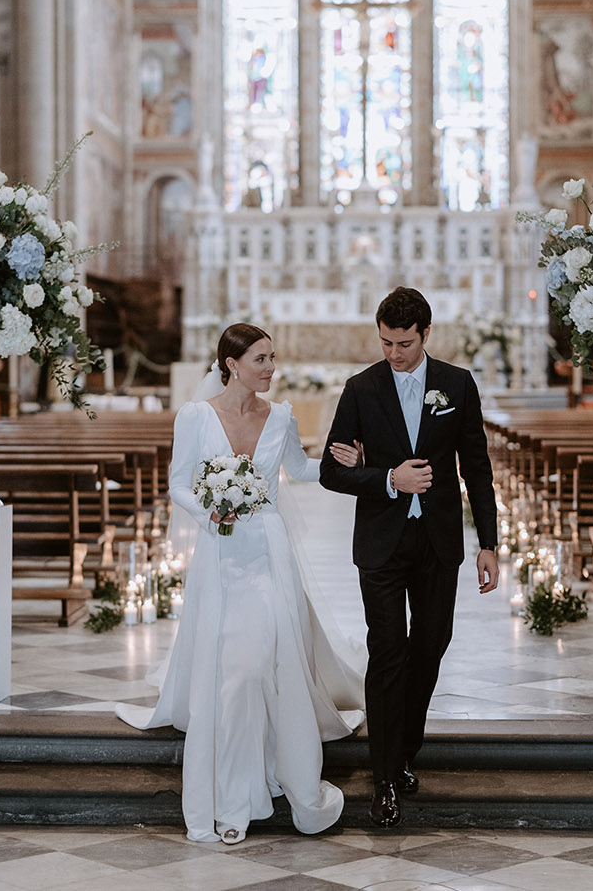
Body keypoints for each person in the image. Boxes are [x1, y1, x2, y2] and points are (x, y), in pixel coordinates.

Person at [117, 324, 366, 845]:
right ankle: (233, 797)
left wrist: (347, 465)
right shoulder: (196, 417)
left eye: (273, 358)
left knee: (269, 662)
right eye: (261, 359)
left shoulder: (281, 417)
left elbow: (299, 471)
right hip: (222, 554)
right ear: (231, 364)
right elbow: (179, 483)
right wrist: (211, 513)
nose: (271, 368)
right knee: (235, 671)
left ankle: (290, 779)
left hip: (271, 554)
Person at [319, 288, 500, 827]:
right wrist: (388, 480)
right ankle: (384, 780)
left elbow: (478, 467)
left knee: (430, 646)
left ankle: (403, 750)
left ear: (425, 334)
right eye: (385, 342)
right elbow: (332, 470)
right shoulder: (360, 389)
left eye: (403, 343)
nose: (393, 353)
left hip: (439, 542)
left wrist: (489, 543)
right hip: (381, 542)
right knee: (387, 654)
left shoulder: (456, 384)